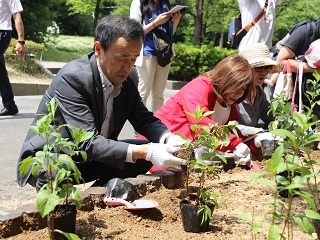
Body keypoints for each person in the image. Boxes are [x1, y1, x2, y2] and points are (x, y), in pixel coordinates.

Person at [17, 16, 187, 192]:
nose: (127, 67)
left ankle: (99, 197)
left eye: (133, 59)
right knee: (53, 169)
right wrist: (148, 151)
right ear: (98, 49)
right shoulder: (73, 78)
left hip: (92, 156)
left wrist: (168, 138)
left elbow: (143, 119)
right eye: (122, 58)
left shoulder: (129, 78)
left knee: (142, 157)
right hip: (52, 156)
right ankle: (56, 210)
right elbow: (87, 142)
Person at [142, 54, 257, 170]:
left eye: (242, 89)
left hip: (184, 158)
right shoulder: (200, 86)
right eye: (235, 87)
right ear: (224, 78)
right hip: (158, 150)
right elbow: (200, 122)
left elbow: (231, 134)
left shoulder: (230, 107)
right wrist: (235, 144)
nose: (238, 94)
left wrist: (254, 143)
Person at [130, 0, 182, 112]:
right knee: (143, 93)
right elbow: (134, 32)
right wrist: (155, 23)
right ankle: (139, 126)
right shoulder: (138, 3)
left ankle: (156, 127)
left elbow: (168, 34)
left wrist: (176, 21)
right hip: (147, 53)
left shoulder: (165, 3)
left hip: (164, 53)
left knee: (159, 95)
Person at [237, 43, 281, 154]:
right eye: (259, 68)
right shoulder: (233, 90)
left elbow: (271, 116)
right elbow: (224, 125)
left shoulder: (259, 91)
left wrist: (288, 123)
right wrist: (255, 131)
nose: (264, 73)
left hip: (249, 145)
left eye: (267, 68)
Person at [0, 0, 25, 116]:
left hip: (2, 34)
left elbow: (16, 15)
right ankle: (10, 105)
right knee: (0, 72)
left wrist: (21, 41)